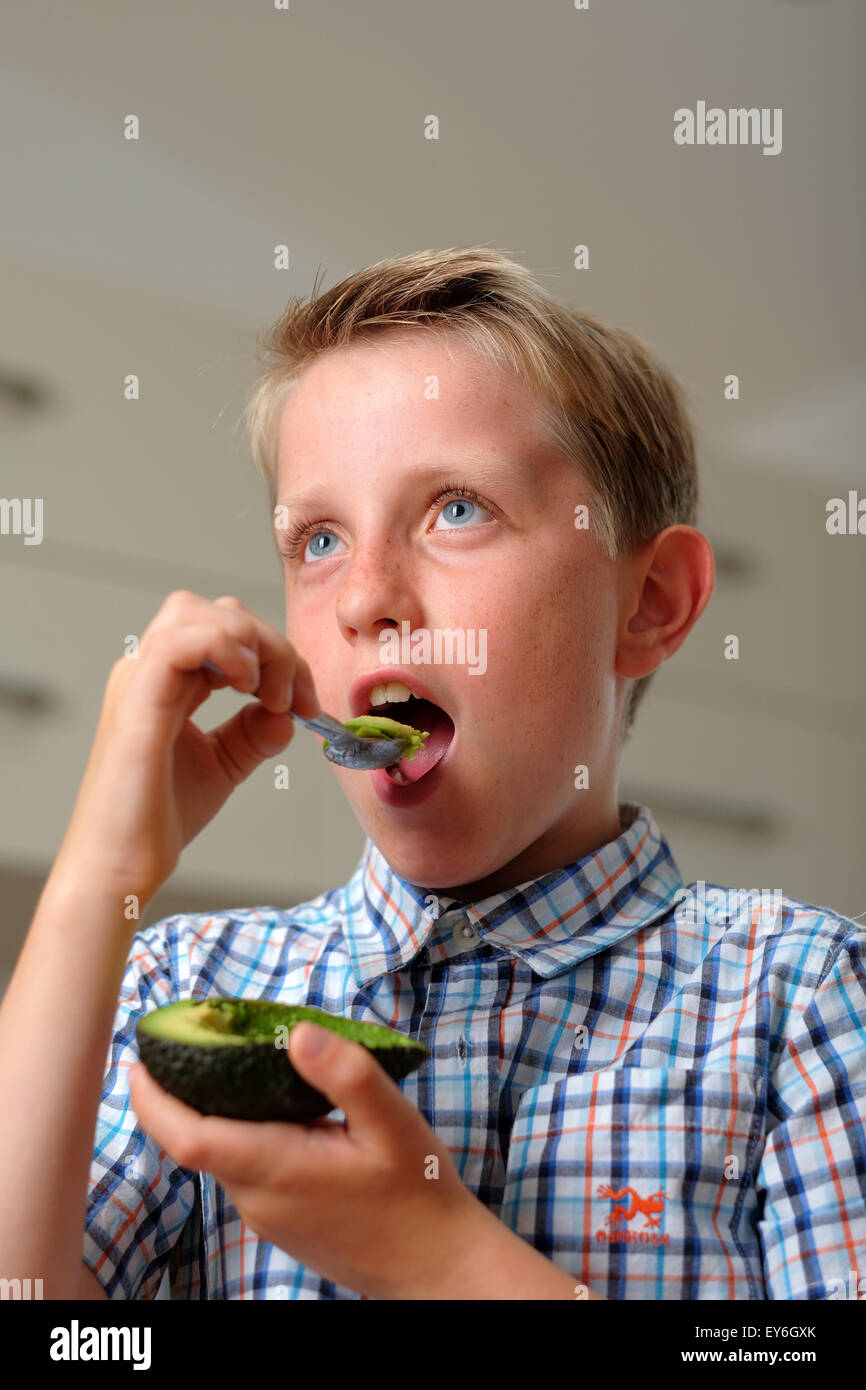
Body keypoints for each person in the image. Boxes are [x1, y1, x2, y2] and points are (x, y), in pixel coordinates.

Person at [1, 246, 863, 1300]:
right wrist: (101, 873)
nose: (366, 595)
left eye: (456, 509)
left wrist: (441, 1261)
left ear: (647, 605)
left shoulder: (800, 998)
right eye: (318, 537)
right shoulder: (188, 988)